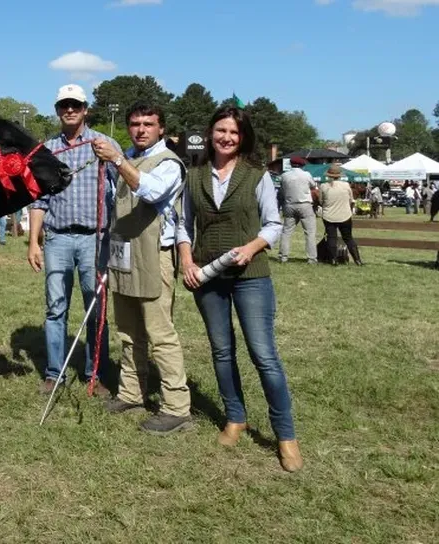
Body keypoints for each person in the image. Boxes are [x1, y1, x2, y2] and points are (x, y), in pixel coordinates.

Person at [177, 106, 303, 472]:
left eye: (234, 132)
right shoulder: (194, 176)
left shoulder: (256, 174)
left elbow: (273, 223)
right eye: (221, 130)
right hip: (207, 275)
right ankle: (235, 417)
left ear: (243, 137)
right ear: (210, 133)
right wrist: (187, 261)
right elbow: (183, 224)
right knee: (222, 351)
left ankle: (285, 435)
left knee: (264, 355)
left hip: (251, 275)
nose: (227, 137)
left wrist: (251, 248)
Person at [89, 102, 192, 435]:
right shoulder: (129, 158)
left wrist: (118, 160)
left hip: (154, 254)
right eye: (135, 124)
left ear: (161, 128)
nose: (141, 129)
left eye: (148, 124)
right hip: (124, 252)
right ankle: (131, 393)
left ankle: (176, 407)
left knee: (160, 334)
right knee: (128, 330)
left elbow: (151, 191)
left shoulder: (169, 163)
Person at [28, 84, 121, 395]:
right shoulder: (47, 151)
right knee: (55, 308)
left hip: (95, 239)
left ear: (85, 109)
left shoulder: (104, 144)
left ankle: (95, 373)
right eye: (64, 105)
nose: (70, 110)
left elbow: (125, 186)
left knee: (96, 309)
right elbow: (39, 199)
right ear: (57, 110)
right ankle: (54, 373)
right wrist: (34, 242)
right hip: (57, 239)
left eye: (75, 105)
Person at [320, 164, 363, 266]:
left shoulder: (323, 186)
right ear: (339, 175)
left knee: (331, 238)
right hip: (345, 215)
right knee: (348, 238)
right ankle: (357, 260)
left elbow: (321, 201)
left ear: (328, 175)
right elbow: (351, 200)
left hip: (329, 215)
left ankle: (333, 260)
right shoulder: (346, 185)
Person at [277, 157, 318, 264]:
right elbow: (313, 186)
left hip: (289, 205)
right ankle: (312, 258)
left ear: (290, 164)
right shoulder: (306, 175)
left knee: (286, 232)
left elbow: (281, 190)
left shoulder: (284, 175)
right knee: (310, 233)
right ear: (302, 165)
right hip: (305, 205)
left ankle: (283, 256)